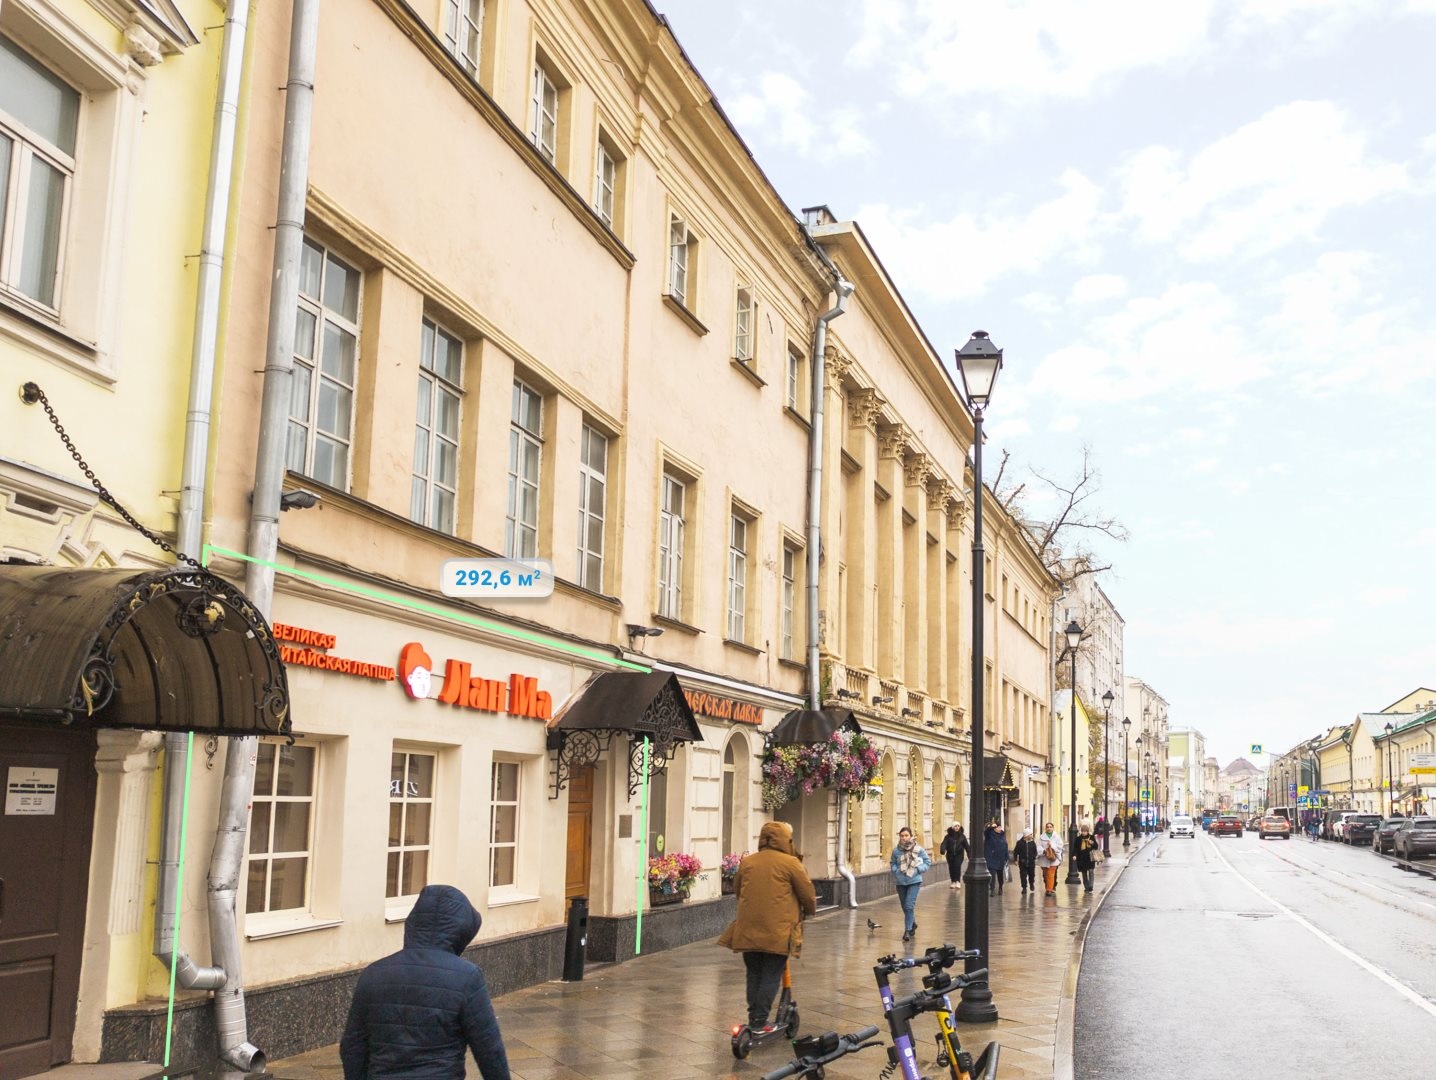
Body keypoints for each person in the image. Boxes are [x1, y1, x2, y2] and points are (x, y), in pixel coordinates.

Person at [340, 883, 510, 1080]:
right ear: (460, 931)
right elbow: (489, 1049)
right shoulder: (467, 977)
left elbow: (352, 1046)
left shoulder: (372, 974)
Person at [717, 820, 817, 1034]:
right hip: (778, 932)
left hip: (748, 930)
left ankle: (754, 1016)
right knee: (771, 975)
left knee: (754, 973)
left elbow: (738, 890)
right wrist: (809, 910)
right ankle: (759, 1021)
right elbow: (807, 894)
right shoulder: (791, 863)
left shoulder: (748, 862)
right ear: (786, 840)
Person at [889, 826, 932, 943]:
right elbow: (892, 862)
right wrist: (896, 870)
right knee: (905, 906)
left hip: (914, 881)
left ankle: (907, 930)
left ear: (911, 836)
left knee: (909, 906)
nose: (904, 838)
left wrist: (918, 869)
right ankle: (912, 923)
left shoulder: (918, 849)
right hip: (900, 882)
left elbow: (927, 862)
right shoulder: (896, 851)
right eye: (902, 836)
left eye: (906, 835)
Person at [1036, 822, 1064, 896]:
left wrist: (1052, 845)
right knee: (1045, 875)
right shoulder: (1041, 837)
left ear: (1053, 828)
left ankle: (1049, 890)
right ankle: (1048, 887)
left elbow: (1060, 846)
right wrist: (1043, 851)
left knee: (1051, 874)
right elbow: (1038, 846)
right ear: (1045, 828)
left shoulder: (1057, 837)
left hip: (1054, 859)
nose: (1049, 828)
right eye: (1047, 827)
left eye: (1050, 827)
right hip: (1044, 859)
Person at [939, 822, 969, 890]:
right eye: (955, 826)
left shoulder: (962, 836)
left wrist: (969, 854)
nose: (957, 827)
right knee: (951, 868)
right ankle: (953, 881)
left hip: (959, 854)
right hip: (950, 855)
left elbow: (966, 846)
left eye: (958, 826)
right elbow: (944, 843)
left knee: (957, 866)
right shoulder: (948, 836)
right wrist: (942, 850)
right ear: (952, 827)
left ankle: (958, 881)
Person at [983, 821, 1010, 896]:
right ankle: (992, 889)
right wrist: (991, 827)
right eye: (998, 827)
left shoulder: (1003, 835)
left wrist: (1006, 857)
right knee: (992, 874)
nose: (1000, 828)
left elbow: (1005, 846)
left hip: (1001, 858)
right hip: (992, 858)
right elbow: (986, 832)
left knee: (1000, 875)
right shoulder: (990, 834)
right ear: (995, 828)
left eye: (1000, 827)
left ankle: (1000, 887)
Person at [1074, 824, 1100, 892]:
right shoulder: (1078, 839)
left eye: (1085, 831)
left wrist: (1092, 843)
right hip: (1081, 858)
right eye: (1082, 831)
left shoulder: (1091, 837)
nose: (1083, 833)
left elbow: (1096, 846)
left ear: (1087, 831)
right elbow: (1075, 848)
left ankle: (1091, 886)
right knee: (1084, 873)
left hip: (1090, 858)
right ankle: (1086, 887)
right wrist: (1074, 855)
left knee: (1091, 871)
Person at [1013, 827, 1038, 894]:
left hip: (1031, 863)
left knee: (1032, 875)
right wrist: (1015, 860)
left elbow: (1035, 851)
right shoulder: (1019, 843)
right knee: (1023, 876)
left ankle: (1031, 884)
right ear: (1026, 835)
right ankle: (1024, 888)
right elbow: (1015, 852)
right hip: (1022, 863)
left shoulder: (1032, 843)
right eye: (1030, 834)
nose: (1032, 835)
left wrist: (1034, 857)